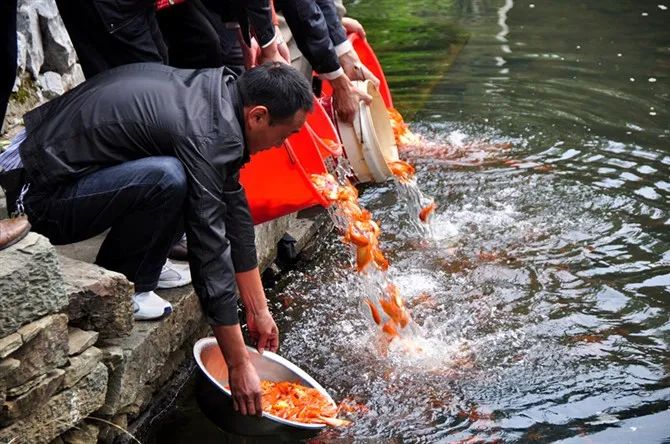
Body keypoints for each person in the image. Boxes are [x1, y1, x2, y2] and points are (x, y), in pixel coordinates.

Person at [0, 62, 313, 415]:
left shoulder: (219, 95)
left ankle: (143, 265)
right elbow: (209, 250)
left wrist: (259, 311)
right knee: (171, 178)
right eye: (284, 135)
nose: (280, 146)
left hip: (52, 164)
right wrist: (239, 363)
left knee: (183, 179)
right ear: (258, 116)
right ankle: (130, 283)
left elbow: (235, 214)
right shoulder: (208, 135)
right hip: (36, 194)